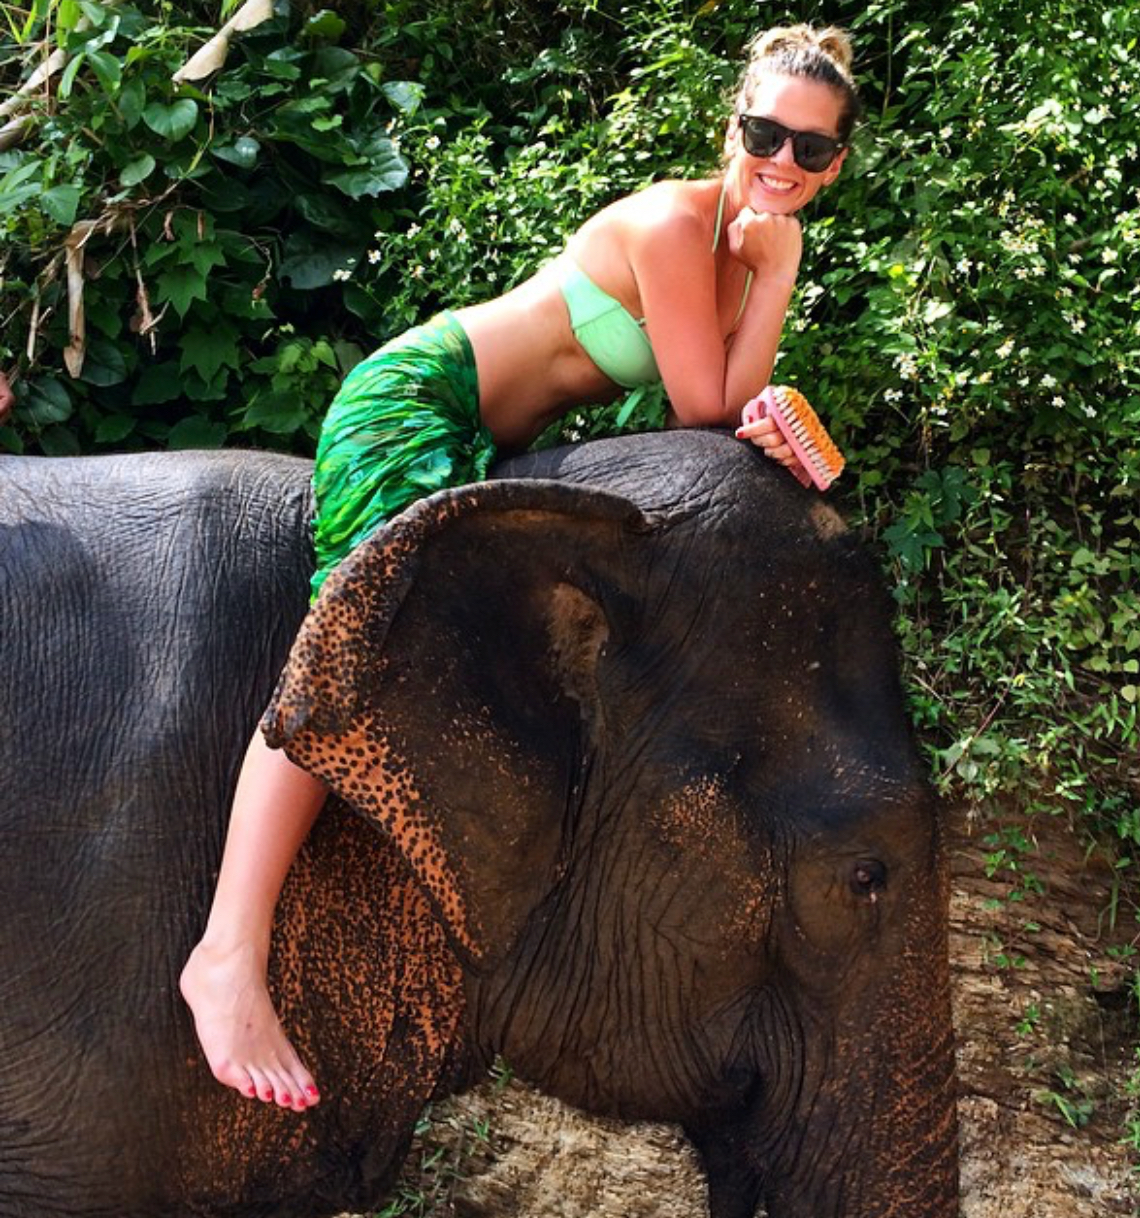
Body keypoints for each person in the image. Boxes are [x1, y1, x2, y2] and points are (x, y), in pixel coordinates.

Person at [180, 21, 860, 1111]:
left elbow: (732, 415)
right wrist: (779, 275)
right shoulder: (674, 226)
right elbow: (701, 410)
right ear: (730, 126)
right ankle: (223, 952)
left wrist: (769, 327)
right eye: (763, 134)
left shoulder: (744, 256)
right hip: (417, 402)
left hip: (485, 445)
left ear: (834, 164)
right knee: (355, 643)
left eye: (809, 149)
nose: (780, 161)